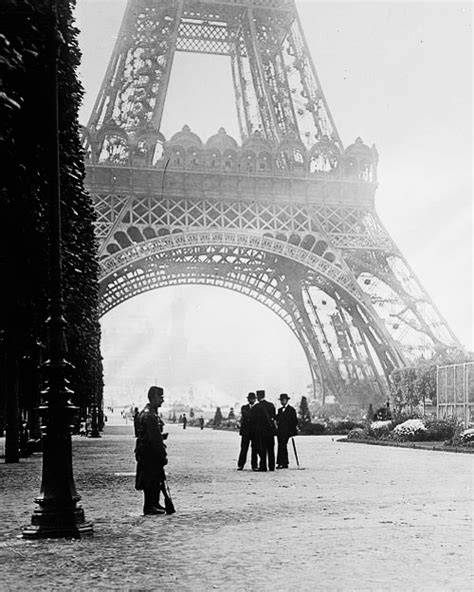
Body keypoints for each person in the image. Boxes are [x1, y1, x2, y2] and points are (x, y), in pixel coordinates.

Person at [135, 386, 168, 515]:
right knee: (151, 479)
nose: (162, 400)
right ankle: (150, 506)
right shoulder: (150, 416)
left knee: (153, 478)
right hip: (150, 453)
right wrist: (162, 454)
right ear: (154, 397)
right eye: (160, 397)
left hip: (145, 451)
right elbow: (154, 440)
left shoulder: (147, 412)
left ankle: (154, 503)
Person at [252, 390, 276, 472]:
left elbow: (253, 421)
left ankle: (263, 466)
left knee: (262, 449)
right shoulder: (271, 405)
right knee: (271, 449)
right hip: (270, 431)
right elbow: (274, 417)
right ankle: (272, 466)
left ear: (258, 397)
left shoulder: (256, 407)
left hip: (260, 432)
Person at [276, 394, 298, 469]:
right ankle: (281, 462)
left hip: (287, 431)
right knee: (281, 446)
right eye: (281, 400)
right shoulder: (279, 410)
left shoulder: (291, 410)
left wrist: (292, 430)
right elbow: (277, 419)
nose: (282, 401)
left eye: (284, 400)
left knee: (283, 445)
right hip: (280, 431)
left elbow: (294, 421)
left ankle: (283, 462)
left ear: (287, 400)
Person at [237, 392, 258, 471]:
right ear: (248, 399)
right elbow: (247, 415)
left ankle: (254, 465)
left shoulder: (257, 407)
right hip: (246, 432)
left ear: (255, 399)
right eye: (250, 399)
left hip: (254, 432)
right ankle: (241, 464)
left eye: (253, 398)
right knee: (244, 448)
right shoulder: (244, 407)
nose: (251, 400)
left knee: (255, 449)